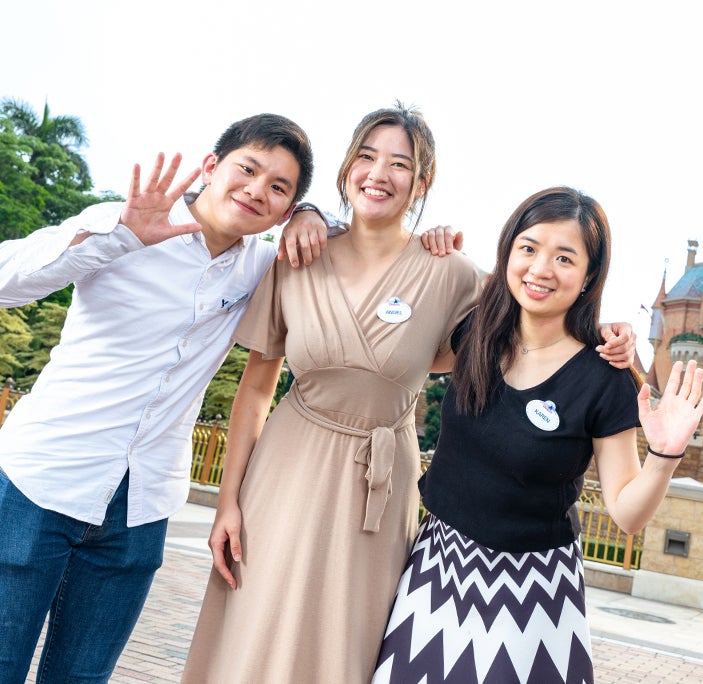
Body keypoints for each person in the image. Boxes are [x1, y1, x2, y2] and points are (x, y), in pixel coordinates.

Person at [181, 107, 636, 683]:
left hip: (379, 481)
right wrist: (228, 502)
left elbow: (538, 304)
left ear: (422, 184)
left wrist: (613, 338)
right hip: (286, 468)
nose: (379, 173)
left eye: (401, 164)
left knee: (351, 638)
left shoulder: (449, 273)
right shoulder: (297, 253)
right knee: (257, 619)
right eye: (367, 157)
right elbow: (255, 392)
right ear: (347, 167)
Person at [0, 113, 348, 683]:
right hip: (41, 480)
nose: (257, 190)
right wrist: (119, 237)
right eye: (248, 169)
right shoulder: (121, 224)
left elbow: (351, 236)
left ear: (285, 210)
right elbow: (7, 285)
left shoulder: (262, 269)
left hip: (142, 506)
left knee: (83, 677)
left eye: (280, 188)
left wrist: (313, 214)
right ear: (211, 167)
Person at [372, 187, 703, 684]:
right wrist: (422, 240)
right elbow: (393, 320)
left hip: (531, 597)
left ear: (589, 275)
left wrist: (666, 453)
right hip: (436, 571)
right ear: (508, 251)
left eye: (564, 257)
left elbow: (627, 513)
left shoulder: (603, 375)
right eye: (528, 248)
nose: (540, 269)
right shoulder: (475, 336)